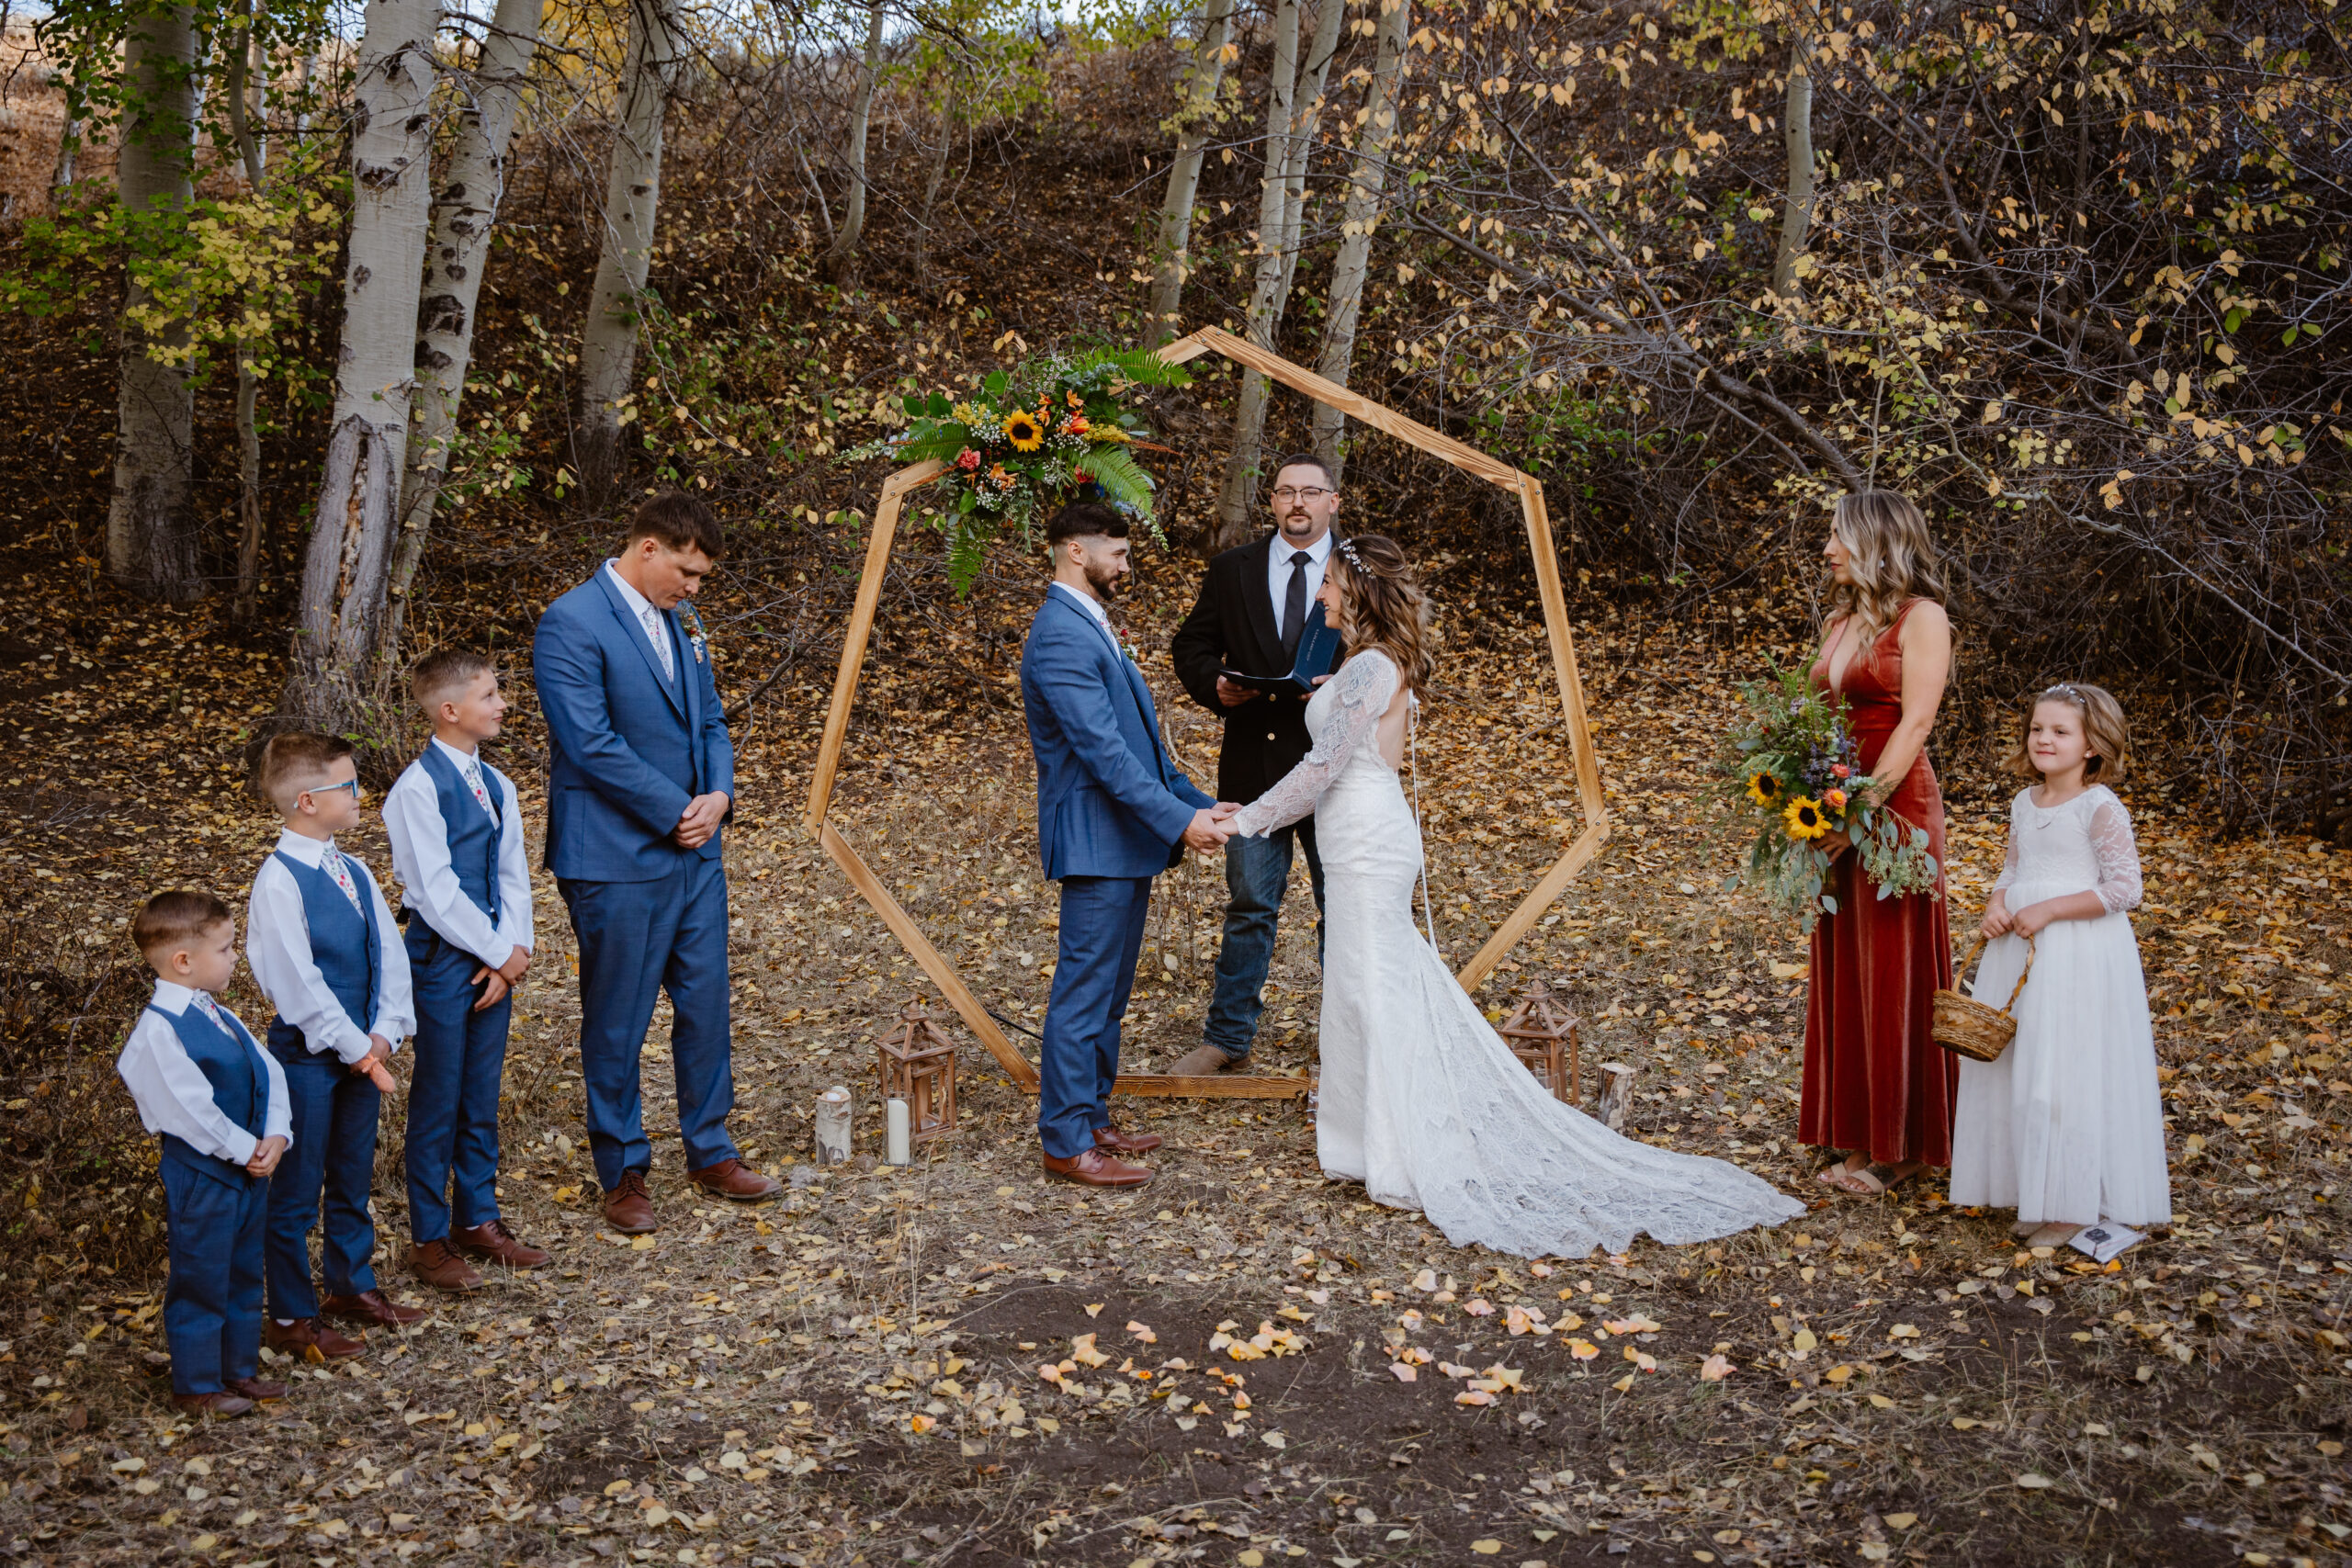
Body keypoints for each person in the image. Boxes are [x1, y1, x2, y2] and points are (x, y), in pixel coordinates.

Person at [1227, 536, 1804, 1255]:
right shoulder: (1361, 666)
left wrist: (1246, 818)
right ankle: (1360, 1139)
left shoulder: (1371, 665)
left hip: (1368, 838)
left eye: (1331, 584)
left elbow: (1323, 768)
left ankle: (1399, 1148)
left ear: (1358, 589)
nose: (1320, 596)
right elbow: (1345, 758)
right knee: (1357, 985)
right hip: (1356, 835)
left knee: (1372, 987)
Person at [534, 491, 778, 1235]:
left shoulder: (683, 622)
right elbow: (589, 743)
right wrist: (676, 807)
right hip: (615, 857)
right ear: (647, 549)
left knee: (705, 1007)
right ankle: (623, 1168)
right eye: (689, 571)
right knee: (618, 1017)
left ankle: (710, 1147)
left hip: (695, 854)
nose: (696, 589)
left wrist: (719, 795)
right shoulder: (570, 622)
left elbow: (709, 719)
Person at [1020, 501, 1235, 1187]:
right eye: (1116, 551)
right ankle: (1064, 1140)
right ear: (1076, 552)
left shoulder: (1093, 625)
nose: (1126, 564)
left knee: (1108, 994)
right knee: (1083, 994)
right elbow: (1106, 756)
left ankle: (1091, 1116)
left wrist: (1201, 802)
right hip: (1094, 840)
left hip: (1124, 839)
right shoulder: (1059, 634)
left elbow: (1145, 751)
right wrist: (1178, 822)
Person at [1950, 683, 2170, 1246]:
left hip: (2078, 954)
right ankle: (2035, 1186)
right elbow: (2013, 870)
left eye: (2060, 731)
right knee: (2022, 1067)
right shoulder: (2026, 802)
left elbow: (2126, 889)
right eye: (2037, 729)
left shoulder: (2099, 807)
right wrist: (1998, 905)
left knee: (2065, 1071)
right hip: (2021, 953)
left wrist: (2049, 909)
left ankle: (2073, 1201)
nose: (2044, 739)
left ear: (2093, 745)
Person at [1802, 491, 1958, 1198]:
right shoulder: (1841, 620)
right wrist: (1805, 800)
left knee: (1894, 967)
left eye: (1837, 536)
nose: (1827, 548)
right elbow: (1816, 717)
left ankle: (1907, 1145)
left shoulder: (1922, 618)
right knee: (1848, 962)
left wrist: (1858, 811)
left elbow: (1916, 722)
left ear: (1875, 540)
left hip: (1894, 807)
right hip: (1836, 800)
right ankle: (1860, 1129)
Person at [247, 732, 421, 1358]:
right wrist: (354, 1046)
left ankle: (350, 1285)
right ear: (307, 800)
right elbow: (297, 982)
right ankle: (292, 1317)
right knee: (296, 1191)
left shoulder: (355, 869)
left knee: (352, 1174)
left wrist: (385, 1027)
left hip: (360, 1051)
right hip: (308, 1058)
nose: (360, 795)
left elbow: (389, 954)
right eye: (347, 786)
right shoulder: (279, 881)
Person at [1167, 455, 1340, 1076]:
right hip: (1253, 767)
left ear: (1332, 501)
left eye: (1310, 492)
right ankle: (1228, 1038)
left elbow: (1395, 652)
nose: (1298, 502)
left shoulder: (1361, 569)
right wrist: (1214, 684)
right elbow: (1190, 644)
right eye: (1286, 492)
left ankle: (1343, 1038)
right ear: (1271, 501)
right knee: (1249, 906)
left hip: (1334, 769)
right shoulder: (1231, 568)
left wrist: (1341, 685)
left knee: (1340, 907)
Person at [381, 649, 547, 1292]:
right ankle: (428, 1237)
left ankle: (477, 1217)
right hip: (443, 960)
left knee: (480, 1093)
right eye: (489, 695)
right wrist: (493, 950)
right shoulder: (416, 790)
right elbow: (432, 889)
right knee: (438, 1097)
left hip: (493, 961)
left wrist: (515, 954)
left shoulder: (498, 783)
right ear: (450, 710)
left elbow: (514, 876)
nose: (502, 703)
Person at [119, 890, 291, 1417]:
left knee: (242, 1268)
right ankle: (196, 1385)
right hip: (203, 1176)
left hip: (247, 1169)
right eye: (226, 948)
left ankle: (237, 1369)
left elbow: (269, 1070)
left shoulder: (216, 1012)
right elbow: (189, 1111)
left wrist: (277, 1134)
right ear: (184, 961)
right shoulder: (158, 1032)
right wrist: (245, 1149)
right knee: (201, 1275)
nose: (236, 956)